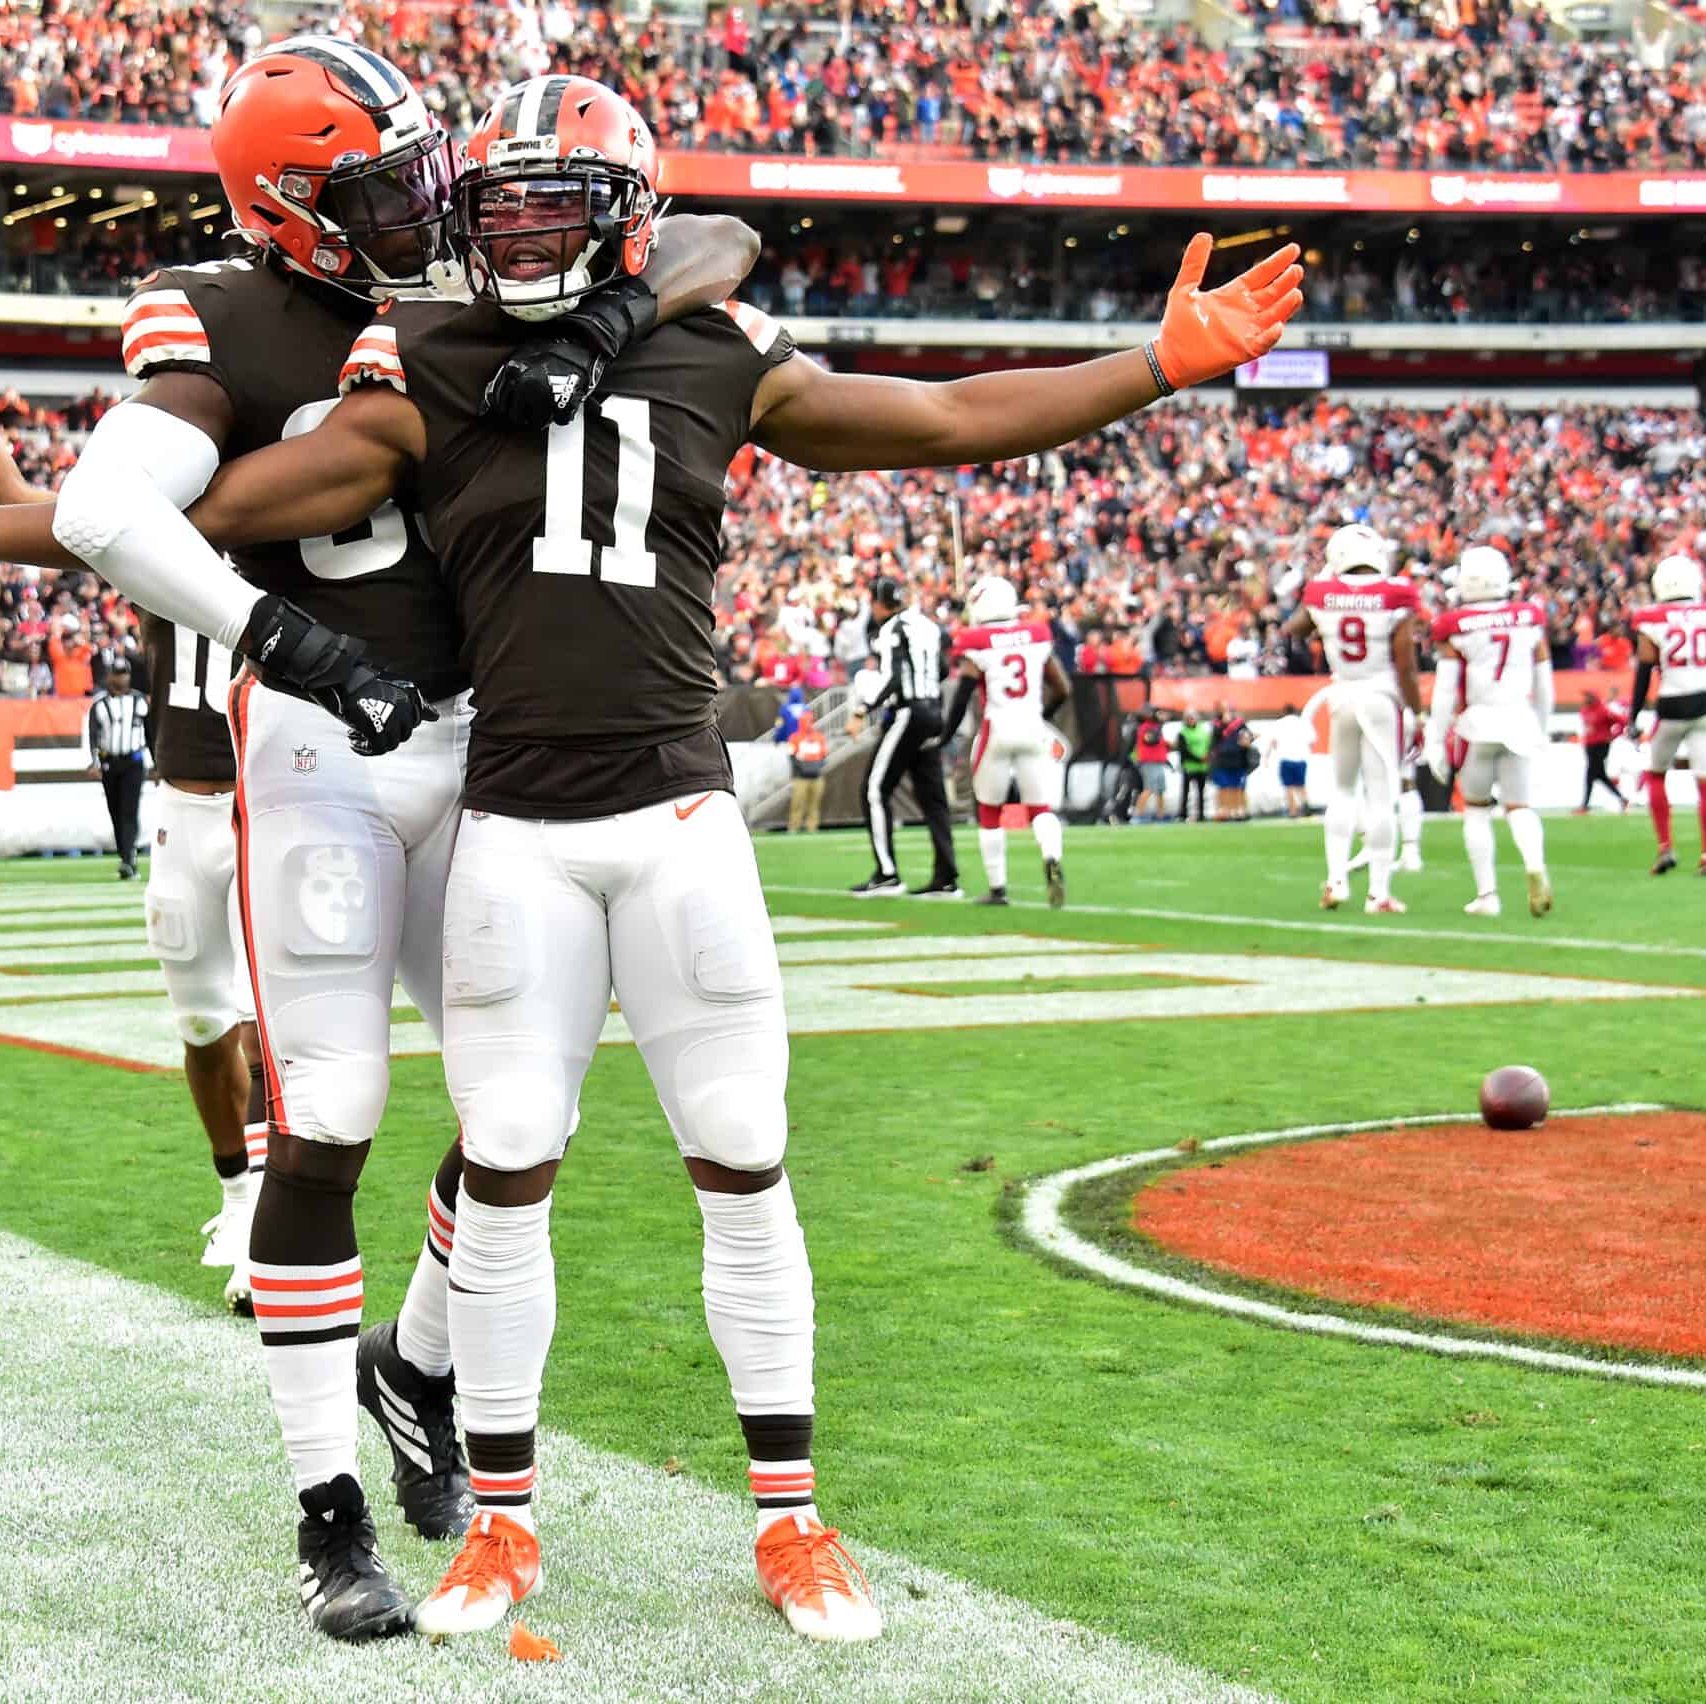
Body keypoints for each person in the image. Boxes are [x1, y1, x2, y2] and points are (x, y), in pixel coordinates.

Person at [152, 78, 1298, 1645]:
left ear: (628, 216)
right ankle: (498, 1523)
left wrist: (1156, 366)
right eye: (509, 204)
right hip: (513, 831)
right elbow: (214, 507)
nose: (530, 232)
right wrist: (18, 519)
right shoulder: (424, 355)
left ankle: (792, 1520)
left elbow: (947, 415)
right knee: (503, 1178)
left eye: (566, 205)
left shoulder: (718, 344)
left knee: (746, 1164)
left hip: (679, 817)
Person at [0, 37, 763, 1638]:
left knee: (520, 1109)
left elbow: (709, 242)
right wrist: (276, 640)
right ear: (291, 204)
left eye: (416, 174)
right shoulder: (221, 314)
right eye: (377, 186)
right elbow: (123, 510)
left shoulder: (479, 277)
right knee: (325, 1114)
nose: (418, 204)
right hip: (320, 749)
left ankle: (423, 1364)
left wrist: (612, 306)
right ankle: (329, 1513)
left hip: (484, 739)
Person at [0, 258, 264, 1312]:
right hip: (182, 800)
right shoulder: (153, 520)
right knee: (203, 1021)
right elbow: (28, 508)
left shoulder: (314, 497)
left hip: (277, 800)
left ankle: (276, 1215)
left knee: (281, 1025)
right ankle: (238, 1186)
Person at [1284, 523, 1421, 913]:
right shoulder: (1396, 592)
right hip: (1380, 695)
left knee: (1342, 791)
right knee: (1381, 797)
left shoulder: (1322, 593)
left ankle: (1336, 879)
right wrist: (1418, 711)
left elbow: (1292, 628)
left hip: (1341, 693)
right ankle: (1378, 892)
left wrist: (1328, 579)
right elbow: (1405, 663)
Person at [1425, 545, 1554, 917]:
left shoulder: (1456, 624)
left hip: (1478, 723)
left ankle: (1488, 895)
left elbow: (1446, 690)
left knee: (1477, 810)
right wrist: (1540, 729)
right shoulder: (1528, 618)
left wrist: (1436, 738)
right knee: (1520, 806)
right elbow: (1544, 684)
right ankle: (1534, 863)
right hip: (1519, 719)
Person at [942, 576, 1071, 908]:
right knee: (1039, 807)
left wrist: (945, 734)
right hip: (1032, 727)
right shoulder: (1036, 634)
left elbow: (963, 693)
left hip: (996, 729)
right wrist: (1043, 716)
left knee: (989, 810)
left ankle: (998, 890)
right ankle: (1052, 856)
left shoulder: (977, 640)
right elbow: (1062, 689)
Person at [1627, 554, 1706, 878]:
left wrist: (1633, 716)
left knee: (1657, 774)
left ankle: (1665, 847)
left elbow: (1644, 670)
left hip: (1671, 706)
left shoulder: (1652, 618)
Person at [849, 577, 958, 897]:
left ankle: (887, 873)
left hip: (909, 713)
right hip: (933, 710)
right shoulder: (928, 625)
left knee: (874, 790)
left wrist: (863, 709)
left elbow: (894, 678)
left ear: (879, 603)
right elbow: (940, 669)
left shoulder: (891, 630)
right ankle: (946, 878)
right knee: (933, 798)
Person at [86, 663, 149, 880]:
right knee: (116, 812)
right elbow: (93, 736)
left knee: (129, 811)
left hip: (133, 762)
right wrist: (93, 763)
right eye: (117, 674)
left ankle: (129, 860)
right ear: (109, 676)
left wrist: (158, 765)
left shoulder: (140, 701)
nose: (121, 679)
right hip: (110, 763)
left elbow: (151, 733)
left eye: (125, 674)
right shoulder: (100, 705)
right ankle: (126, 857)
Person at [1576, 689, 1628, 813]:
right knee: (1599, 775)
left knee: (1591, 774)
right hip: (1590, 745)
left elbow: (1622, 721)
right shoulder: (1584, 711)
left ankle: (1585, 805)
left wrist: (1613, 735)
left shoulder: (1603, 710)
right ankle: (1622, 799)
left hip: (1600, 745)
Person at [1208, 704, 1254, 820]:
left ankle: (1240, 811)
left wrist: (1248, 740)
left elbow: (1249, 737)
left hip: (1239, 760)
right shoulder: (1217, 725)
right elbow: (1214, 743)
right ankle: (1225, 811)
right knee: (1224, 787)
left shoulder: (1240, 724)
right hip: (1223, 762)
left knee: (1239, 787)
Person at [785, 717, 828, 833]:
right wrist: (800, 769)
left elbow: (824, 755)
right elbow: (791, 756)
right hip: (800, 778)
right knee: (797, 803)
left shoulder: (819, 737)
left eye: (810, 722)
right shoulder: (794, 738)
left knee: (814, 805)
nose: (809, 724)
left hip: (816, 776)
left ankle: (812, 827)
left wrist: (817, 766)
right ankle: (794, 827)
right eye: (806, 722)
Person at [1268, 711, 1314, 817]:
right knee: (1301, 785)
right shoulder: (1303, 723)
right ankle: (1306, 805)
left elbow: (1273, 742)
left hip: (1286, 758)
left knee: (1289, 786)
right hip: (1301, 758)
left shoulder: (1280, 723)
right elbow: (1312, 740)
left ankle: (1293, 811)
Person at [1131, 710, 1171, 821]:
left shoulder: (1158, 727)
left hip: (1159, 762)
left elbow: (1159, 745)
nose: (1164, 716)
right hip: (1149, 762)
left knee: (1161, 790)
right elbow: (1149, 739)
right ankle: (1137, 815)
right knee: (1149, 789)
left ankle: (1160, 815)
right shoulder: (1146, 727)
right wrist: (1157, 729)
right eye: (1161, 714)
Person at [1176, 707, 1213, 822]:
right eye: (1188, 718)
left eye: (1192, 718)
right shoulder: (1182, 733)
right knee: (1186, 792)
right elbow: (1184, 751)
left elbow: (1209, 745)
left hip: (1202, 767)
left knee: (1201, 792)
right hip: (1189, 766)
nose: (1191, 720)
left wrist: (1208, 757)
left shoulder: (1203, 731)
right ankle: (1183, 814)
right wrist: (1199, 759)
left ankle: (1201, 814)